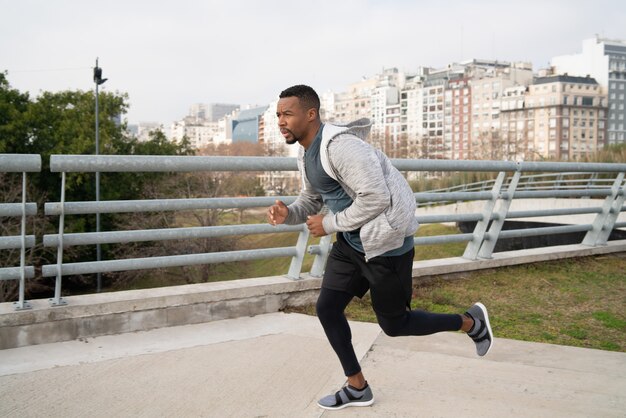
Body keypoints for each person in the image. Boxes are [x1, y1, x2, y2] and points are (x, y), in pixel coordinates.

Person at [267, 84, 493, 411]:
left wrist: (329, 225)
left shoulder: (342, 148)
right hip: (351, 244)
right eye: (277, 115)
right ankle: (357, 386)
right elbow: (313, 198)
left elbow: (378, 198)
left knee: (396, 325)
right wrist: (289, 213)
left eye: (287, 114)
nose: (280, 121)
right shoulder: (305, 152)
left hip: (385, 247)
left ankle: (470, 322)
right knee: (327, 308)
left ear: (310, 114)